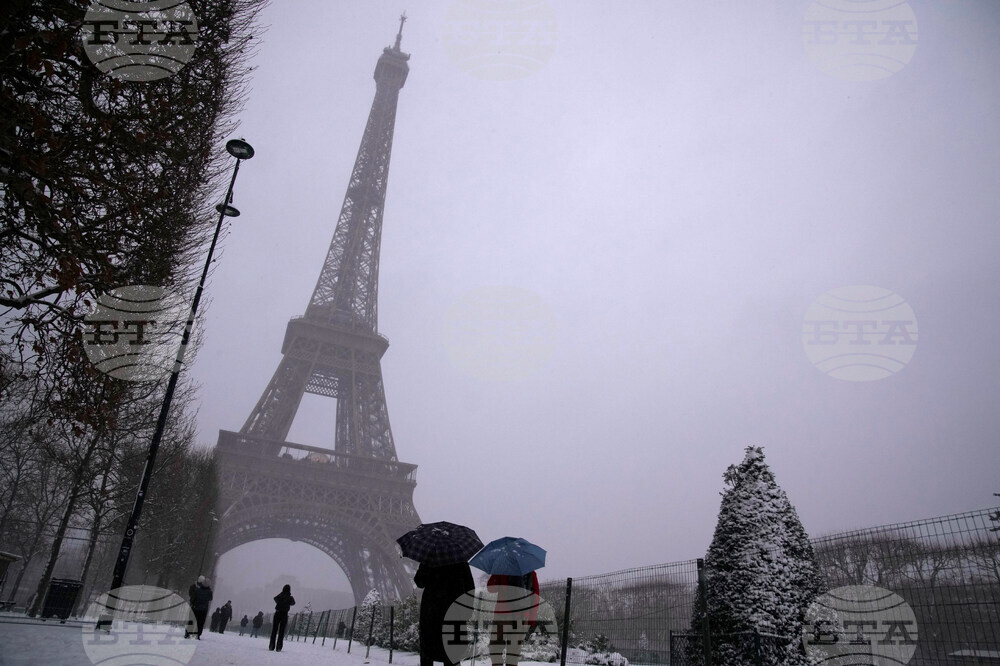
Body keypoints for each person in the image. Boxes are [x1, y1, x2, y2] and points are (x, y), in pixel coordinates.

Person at [414, 561, 475, 666]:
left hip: (432, 612)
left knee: (428, 650)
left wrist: (425, 566)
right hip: (454, 611)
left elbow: (419, 582)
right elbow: (469, 587)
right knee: (452, 652)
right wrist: (467, 610)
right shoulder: (459, 561)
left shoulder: (430, 559)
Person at [486, 571, 540, 666]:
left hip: (502, 615)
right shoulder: (530, 572)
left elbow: (491, 588)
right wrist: (531, 620)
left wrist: (496, 572)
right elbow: (535, 597)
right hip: (521, 616)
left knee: (495, 647)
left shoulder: (503, 569)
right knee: (513, 652)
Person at [269, 584, 295, 652]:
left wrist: (280, 600)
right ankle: (279, 647)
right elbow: (293, 603)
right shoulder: (290, 597)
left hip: (277, 613)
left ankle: (271, 646)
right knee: (281, 631)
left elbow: (275, 599)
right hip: (284, 614)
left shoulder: (280, 595)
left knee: (274, 630)